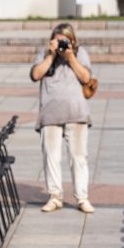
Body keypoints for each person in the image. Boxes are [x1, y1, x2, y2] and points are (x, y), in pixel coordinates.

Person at [29, 23, 95, 214]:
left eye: (64, 41)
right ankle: (55, 196)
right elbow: (35, 74)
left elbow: (85, 78)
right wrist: (51, 56)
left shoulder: (80, 53)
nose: (61, 45)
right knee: (51, 156)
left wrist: (70, 56)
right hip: (50, 114)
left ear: (72, 41)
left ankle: (82, 198)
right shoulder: (44, 54)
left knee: (79, 157)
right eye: (57, 40)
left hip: (76, 113)